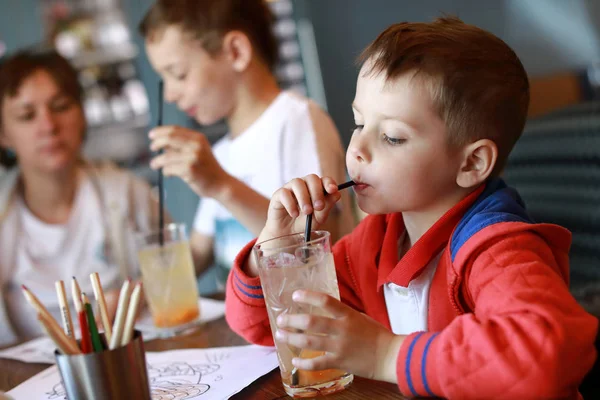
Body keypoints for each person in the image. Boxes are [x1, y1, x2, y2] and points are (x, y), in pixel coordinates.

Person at [225, 17, 598, 398]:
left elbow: (544, 355)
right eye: (359, 122)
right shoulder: (373, 243)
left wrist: (383, 353)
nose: (358, 149)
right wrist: (275, 250)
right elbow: (262, 328)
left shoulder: (499, 251)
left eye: (392, 137)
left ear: (470, 164)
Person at [139, 0, 354, 291]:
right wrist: (135, 294)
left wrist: (221, 185)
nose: (171, 95)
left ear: (236, 52)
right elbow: (200, 252)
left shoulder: (296, 119)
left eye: (178, 74)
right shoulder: (221, 154)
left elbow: (314, 245)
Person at [0, 50, 163, 346]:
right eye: (27, 115)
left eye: (61, 106)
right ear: (3, 134)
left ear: (82, 114)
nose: (48, 126)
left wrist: (142, 295)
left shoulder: (128, 192)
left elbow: (177, 270)